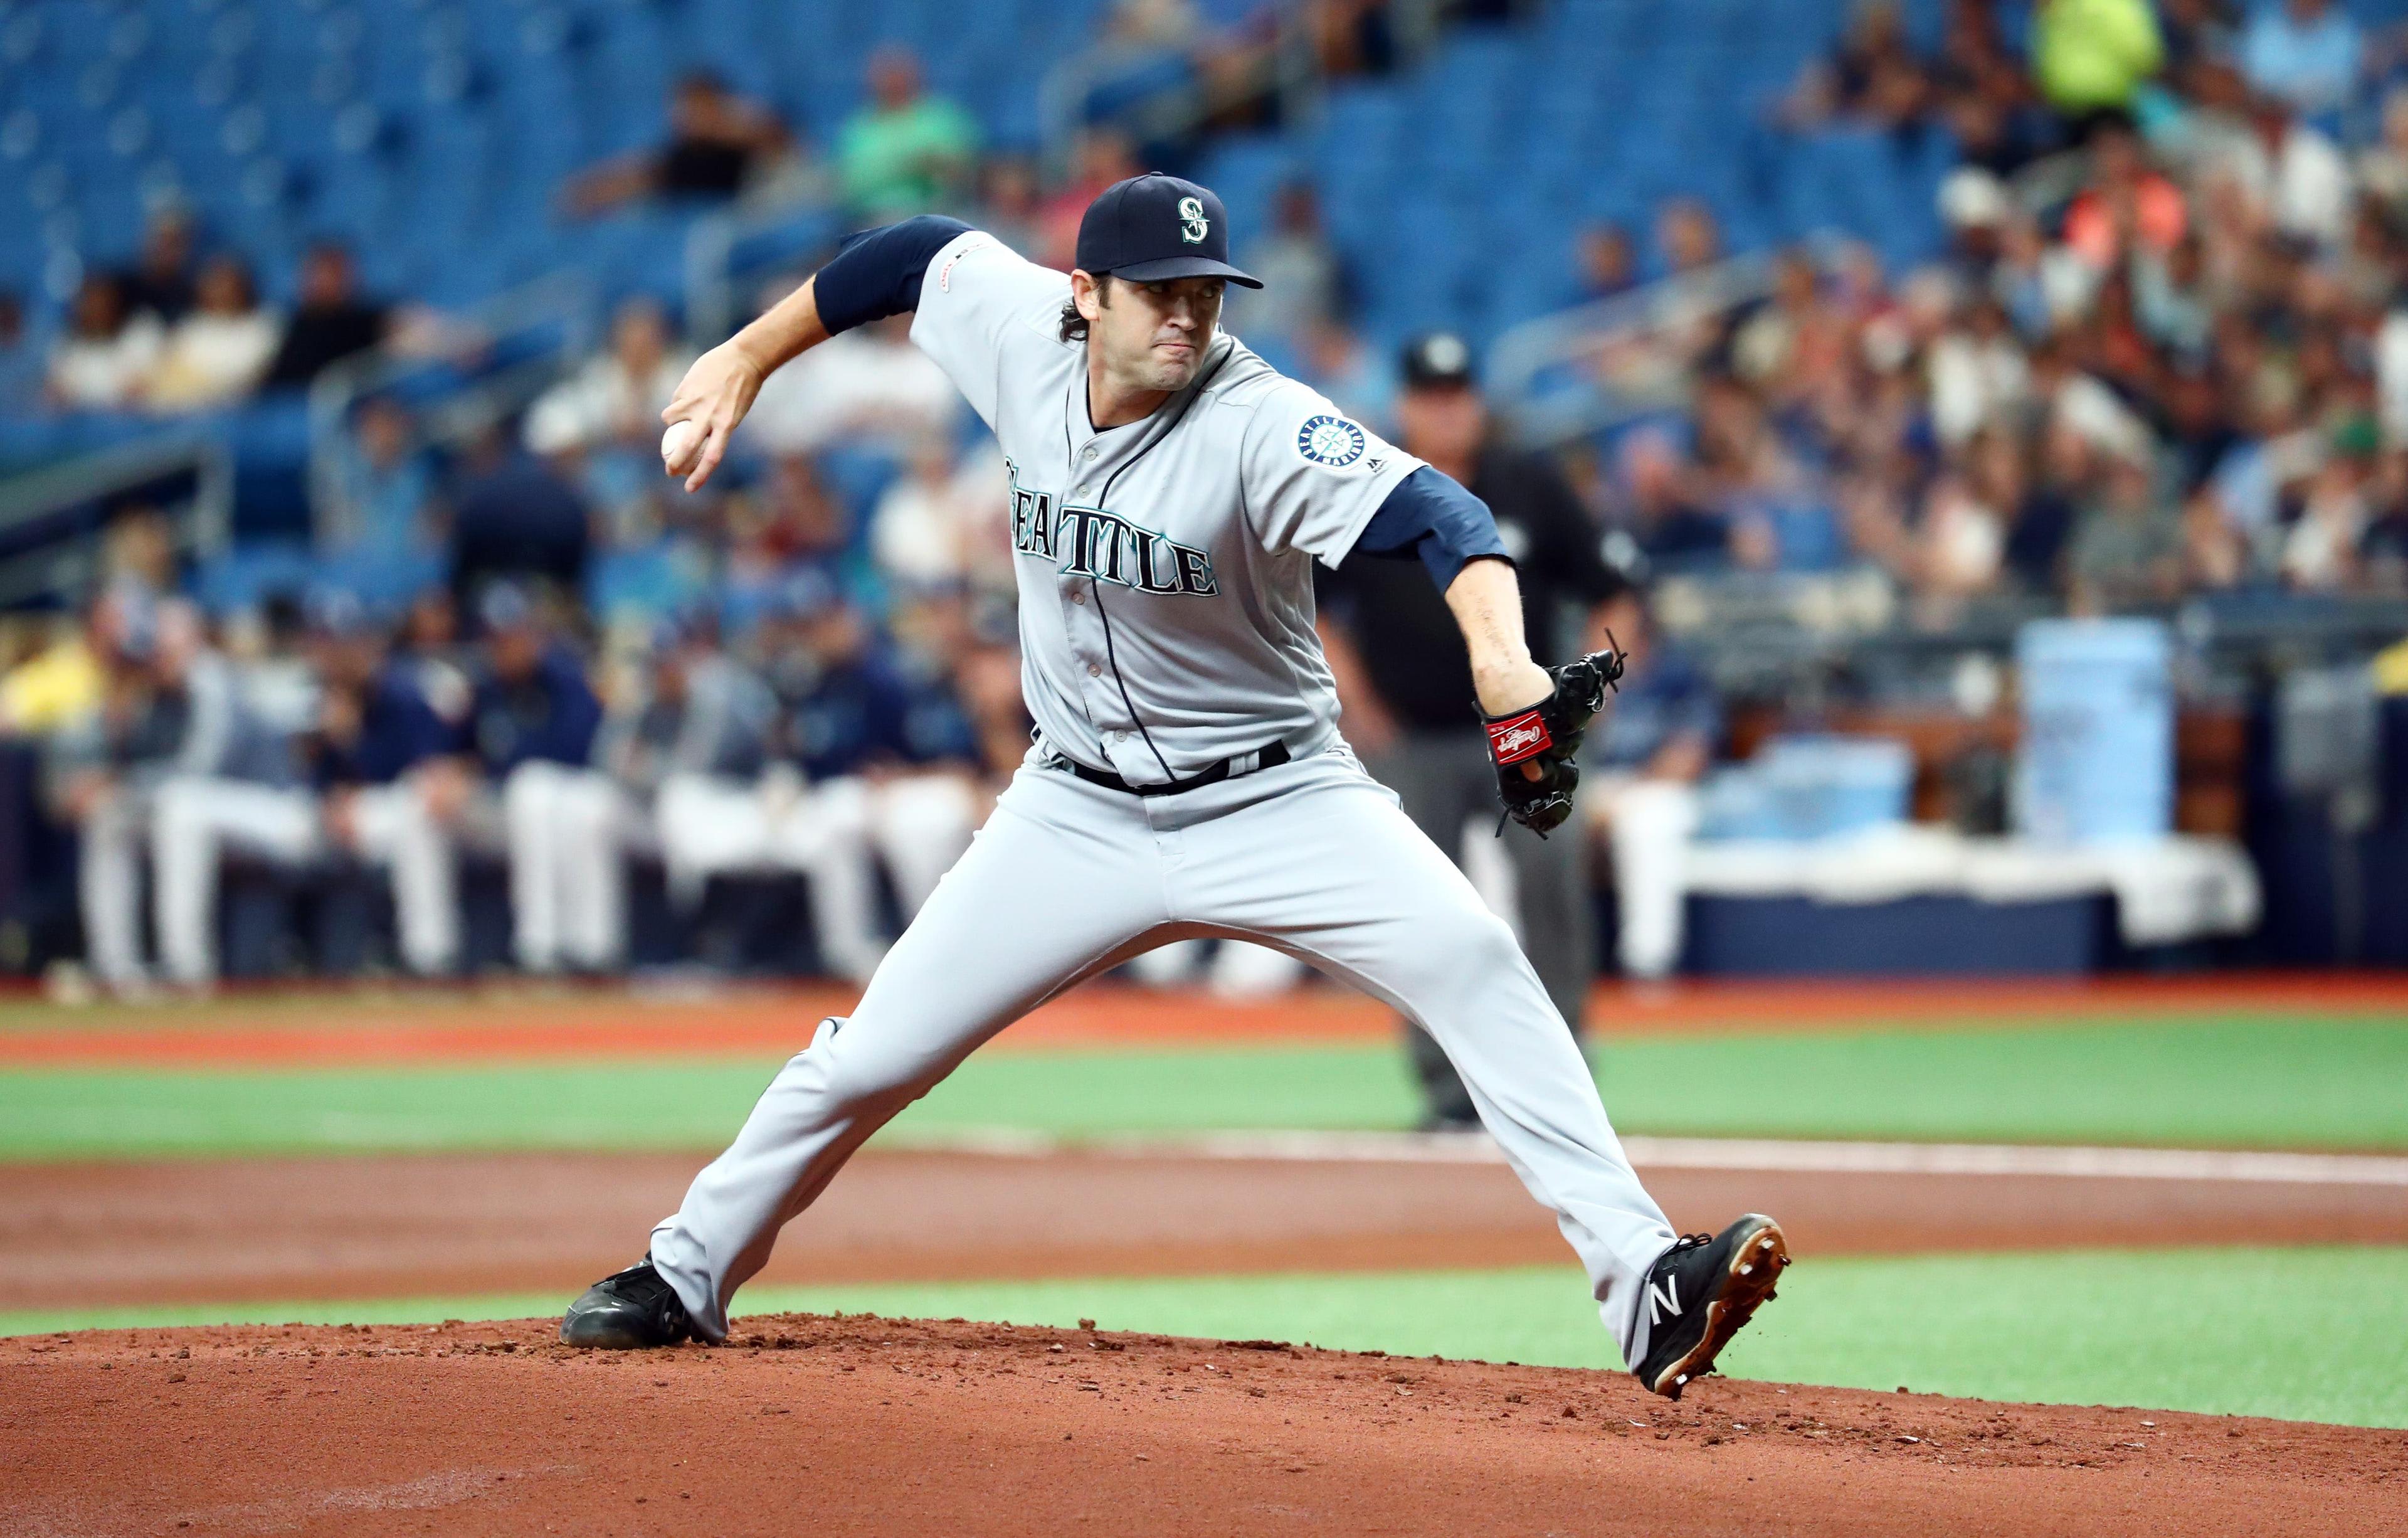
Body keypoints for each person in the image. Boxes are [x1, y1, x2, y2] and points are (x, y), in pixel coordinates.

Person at [561, 172, 1788, 1399]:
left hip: (1279, 798)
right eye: (1158, 293)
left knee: (1475, 960)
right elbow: (911, 253)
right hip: (1073, 806)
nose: (1187, 317)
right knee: (874, 1051)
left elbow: (1442, 515)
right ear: (1084, 295)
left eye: (1206, 292)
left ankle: (1649, 1282)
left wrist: (1505, 662)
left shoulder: (1258, 418)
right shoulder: (1014, 325)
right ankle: (686, 1269)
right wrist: (749, 351)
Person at [1316, 332, 1627, 1130]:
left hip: (1523, 732)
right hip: (1412, 734)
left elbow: (1612, 590)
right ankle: (1449, 1089)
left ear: (1477, 403)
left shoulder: (1527, 484)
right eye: (1431, 397)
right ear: (1408, 405)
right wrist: (1358, 703)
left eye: (1458, 396)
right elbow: (1314, 606)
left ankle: (1562, 1076)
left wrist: (1590, 700)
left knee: (1550, 889)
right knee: (1421, 911)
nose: (1447, 411)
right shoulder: (1369, 488)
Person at [445, 585, 610, 974]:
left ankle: (571, 947)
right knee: (523, 793)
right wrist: (451, 771)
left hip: (573, 796)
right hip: (507, 804)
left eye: (514, 635)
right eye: (495, 638)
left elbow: (572, 751)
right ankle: (440, 955)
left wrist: (492, 767)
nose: (505, 647)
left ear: (534, 635)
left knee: (540, 793)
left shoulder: (565, 678)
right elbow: (463, 749)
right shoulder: (484, 687)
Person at [1576, 588, 1718, 981]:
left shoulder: (1677, 675)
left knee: (1649, 824)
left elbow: (1689, 757)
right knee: (1509, 822)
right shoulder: (1570, 678)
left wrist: (1622, 796)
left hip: (1652, 788)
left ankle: (1648, 967)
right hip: (1586, 787)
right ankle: (1518, 960)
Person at [562, 71, 793, 218]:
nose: (690, 119)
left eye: (697, 108)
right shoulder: (687, 157)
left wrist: (719, 124)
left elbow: (782, 146)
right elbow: (640, 174)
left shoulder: (756, 126)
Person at [834, 46, 980, 221]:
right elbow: (850, 184)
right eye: (886, 74)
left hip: (937, 212)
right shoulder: (858, 129)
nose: (892, 81)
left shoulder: (942, 118)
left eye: (898, 73)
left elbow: (963, 167)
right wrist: (909, 166)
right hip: (875, 217)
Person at [143, 255, 278, 412]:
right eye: (214, 285)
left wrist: (197, 383)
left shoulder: (264, 325)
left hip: (232, 413)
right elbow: (165, 372)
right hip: (176, 412)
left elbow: (250, 378)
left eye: (226, 285)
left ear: (243, 287)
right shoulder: (191, 326)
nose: (221, 293)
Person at [260, 243, 390, 391]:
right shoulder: (283, 327)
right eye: (321, 274)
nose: (328, 283)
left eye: (336, 274)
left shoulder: (370, 323)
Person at [46, 273, 162, 411]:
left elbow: (148, 393)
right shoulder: (68, 350)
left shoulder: (141, 335)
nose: (97, 310)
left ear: (116, 303)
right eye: (91, 304)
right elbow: (54, 398)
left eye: (103, 303)